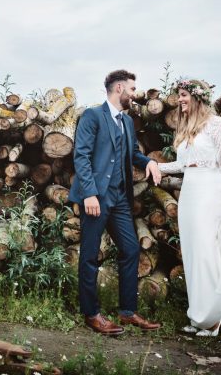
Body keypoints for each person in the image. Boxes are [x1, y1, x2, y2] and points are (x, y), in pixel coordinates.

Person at [156, 78, 221, 337]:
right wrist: (155, 166)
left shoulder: (215, 124)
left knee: (205, 250)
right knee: (191, 253)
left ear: (196, 97)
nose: (179, 100)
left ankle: (213, 317)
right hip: (189, 190)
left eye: (183, 95)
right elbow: (183, 165)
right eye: (178, 96)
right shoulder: (186, 126)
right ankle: (199, 315)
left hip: (209, 190)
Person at [69, 69, 163, 335]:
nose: (135, 94)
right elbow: (81, 155)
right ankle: (91, 314)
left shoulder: (127, 121)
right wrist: (89, 193)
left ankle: (127, 312)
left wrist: (150, 162)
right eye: (132, 89)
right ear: (119, 88)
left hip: (120, 198)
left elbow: (133, 153)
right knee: (89, 255)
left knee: (131, 249)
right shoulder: (93, 116)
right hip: (96, 197)